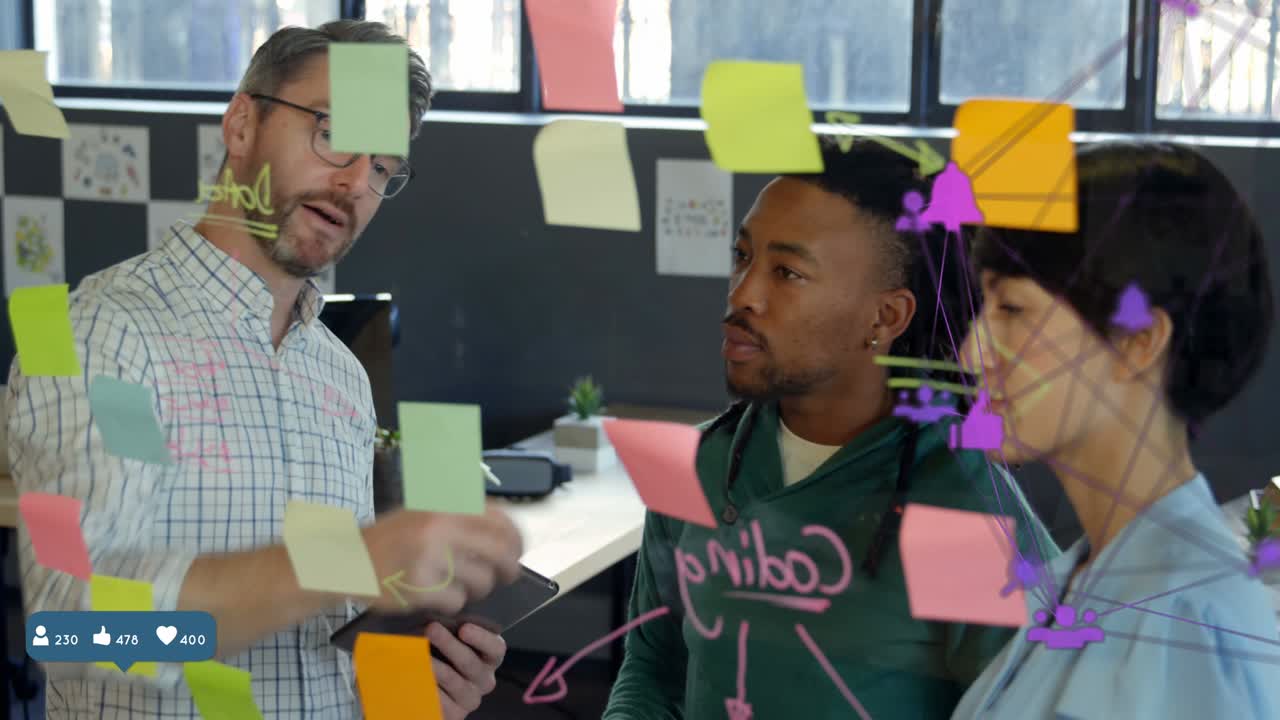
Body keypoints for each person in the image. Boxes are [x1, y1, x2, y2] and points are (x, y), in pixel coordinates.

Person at [9, 21, 523, 719]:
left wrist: (410, 686)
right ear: (242, 124)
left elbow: (326, 650)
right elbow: (72, 630)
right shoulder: (101, 335)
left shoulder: (341, 378)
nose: (355, 182)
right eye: (331, 133)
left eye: (382, 167)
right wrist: (353, 559)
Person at [602, 139, 1060, 719]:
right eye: (742, 256)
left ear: (885, 317)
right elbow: (653, 668)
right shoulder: (699, 464)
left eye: (787, 273)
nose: (742, 294)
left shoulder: (953, 502)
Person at [951, 141, 1280, 719]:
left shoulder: (1193, 624)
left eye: (1013, 310)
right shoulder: (1079, 580)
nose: (972, 353)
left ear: (1138, 341)